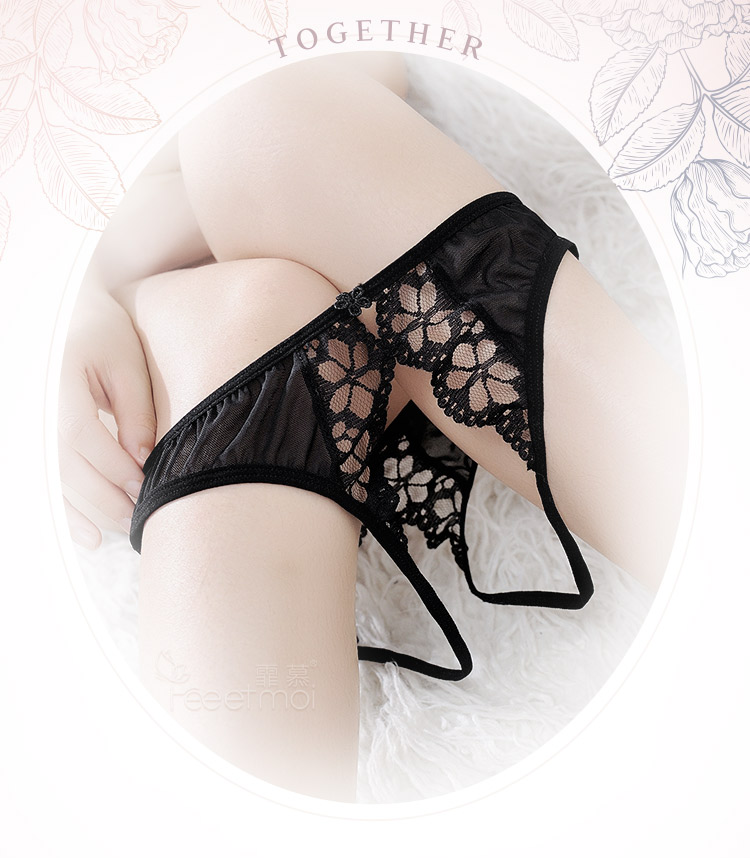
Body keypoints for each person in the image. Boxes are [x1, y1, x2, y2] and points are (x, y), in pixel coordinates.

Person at [59, 53, 687, 802]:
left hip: (311, 200)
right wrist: (65, 298)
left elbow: (371, 62)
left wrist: (91, 254)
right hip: (176, 316)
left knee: (256, 117)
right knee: (245, 302)